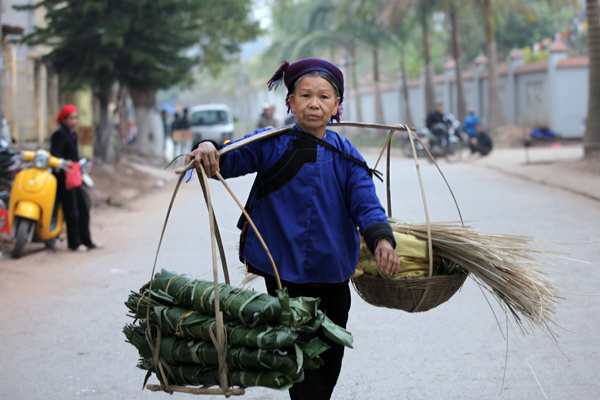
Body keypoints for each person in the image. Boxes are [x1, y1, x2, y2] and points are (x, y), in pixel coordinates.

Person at [185, 58, 400, 400]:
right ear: (291, 102)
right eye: (305, 95)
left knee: (330, 352)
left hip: (333, 271)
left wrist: (382, 240)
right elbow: (229, 158)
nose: (314, 103)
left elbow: (366, 203)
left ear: (337, 106)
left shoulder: (348, 157)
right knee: (298, 357)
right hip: (284, 271)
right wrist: (210, 148)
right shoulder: (271, 143)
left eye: (325, 97)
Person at [50, 104, 99, 252]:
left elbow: (74, 155)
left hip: (75, 177)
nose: (75, 121)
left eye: (76, 118)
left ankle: (87, 241)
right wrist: (64, 162)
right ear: (64, 119)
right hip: (64, 178)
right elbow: (55, 154)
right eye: (71, 118)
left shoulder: (72, 134)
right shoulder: (59, 135)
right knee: (72, 211)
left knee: (83, 208)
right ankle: (75, 243)